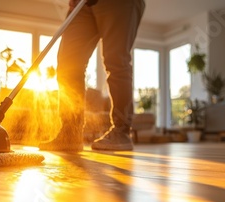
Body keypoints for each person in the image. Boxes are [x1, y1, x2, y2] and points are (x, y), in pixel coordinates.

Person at [39, 0, 145, 151]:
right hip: (82, 5)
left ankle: (121, 131)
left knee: (116, 60)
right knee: (68, 63)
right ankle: (70, 132)